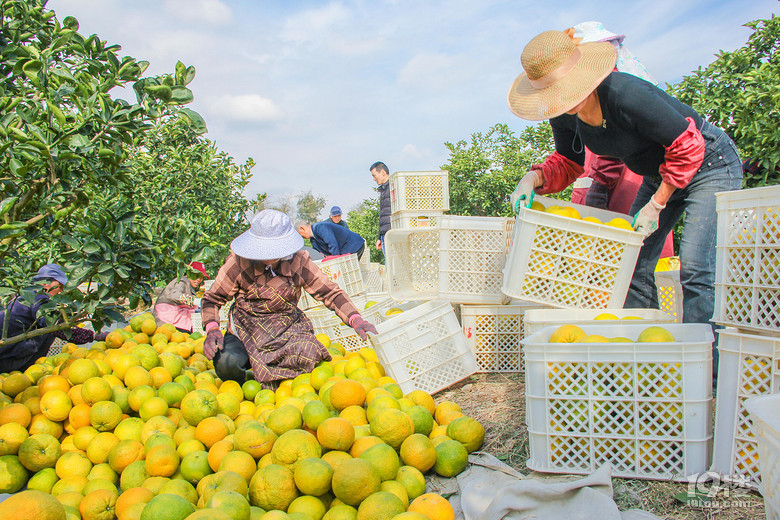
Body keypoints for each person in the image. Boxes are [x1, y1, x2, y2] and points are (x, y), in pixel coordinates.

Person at [507, 30, 742, 367]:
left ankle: (706, 371)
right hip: (660, 171)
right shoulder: (564, 113)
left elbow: (688, 146)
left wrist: (656, 204)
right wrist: (533, 177)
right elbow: (569, 163)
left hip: (708, 162)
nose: (564, 98)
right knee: (632, 263)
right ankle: (651, 362)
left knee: (695, 266)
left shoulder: (625, 94)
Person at [201, 210, 377, 387]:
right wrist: (212, 328)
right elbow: (212, 299)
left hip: (287, 329)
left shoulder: (298, 261)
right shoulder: (239, 262)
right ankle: (248, 383)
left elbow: (329, 292)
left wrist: (355, 318)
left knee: (311, 357)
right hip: (247, 329)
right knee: (227, 364)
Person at [0, 264, 106, 373]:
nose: (61, 291)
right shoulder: (38, 299)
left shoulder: (27, 294)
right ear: (45, 284)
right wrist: (94, 336)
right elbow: (58, 328)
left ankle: (31, 371)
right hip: (6, 357)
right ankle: (29, 372)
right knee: (49, 330)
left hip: (8, 352)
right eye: (59, 286)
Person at [154, 261, 209, 333]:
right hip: (166, 315)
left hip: (175, 312)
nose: (198, 279)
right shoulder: (182, 281)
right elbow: (175, 294)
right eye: (195, 276)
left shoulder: (189, 284)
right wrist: (194, 301)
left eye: (201, 277)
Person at [295, 220, 366, 260]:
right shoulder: (313, 239)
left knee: (349, 269)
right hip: (345, 249)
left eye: (300, 234)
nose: (301, 237)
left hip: (354, 245)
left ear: (302, 229)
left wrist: (334, 260)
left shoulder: (320, 227)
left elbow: (333, 244)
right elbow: (317, 253)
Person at [370, 161, 391, 257]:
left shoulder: (393, 187)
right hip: (384, 234)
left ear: (382, 172)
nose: (374, 179)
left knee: (392, 265)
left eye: (374, 175)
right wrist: (380, 236)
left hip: (390, 234)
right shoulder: (383, 190)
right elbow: (383, 215)